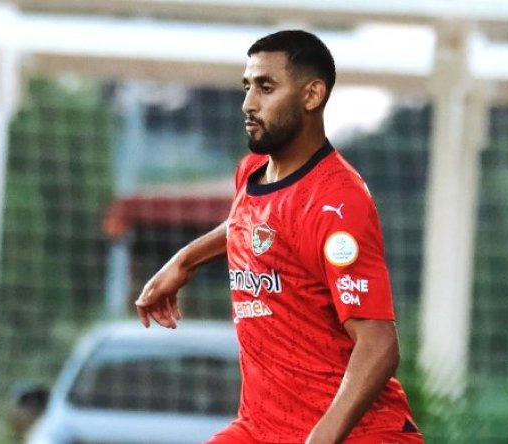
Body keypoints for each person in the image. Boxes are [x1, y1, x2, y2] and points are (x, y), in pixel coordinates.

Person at [136, 30, 423, 444]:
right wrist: (185, 260)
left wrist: (321, 438)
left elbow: (379, 345)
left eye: (266, 88)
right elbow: (252, 226)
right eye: (247, 87)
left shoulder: (338, 203)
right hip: (261, 428)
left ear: (312, 95)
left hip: (357, 435)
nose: (248, 104)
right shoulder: (252, 172)